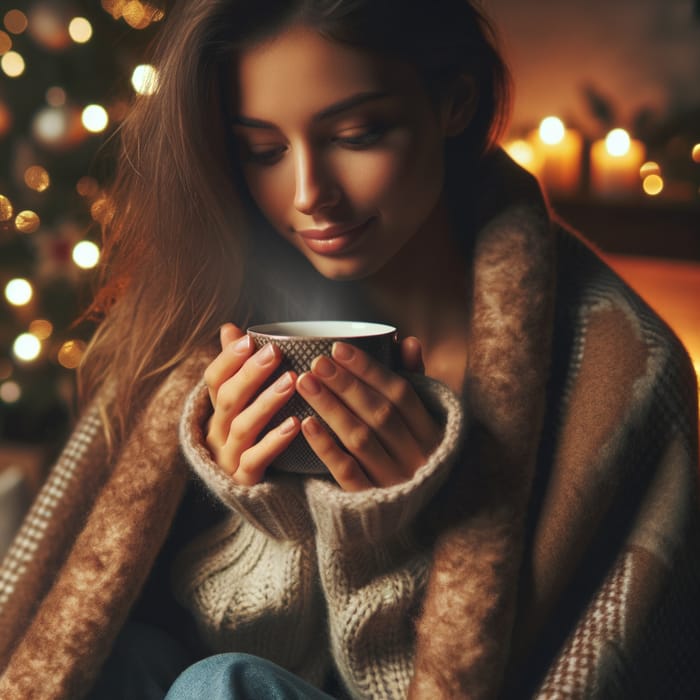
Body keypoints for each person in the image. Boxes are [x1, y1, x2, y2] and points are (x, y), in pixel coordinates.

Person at [0, 1, 698, 698]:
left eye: (358, 135)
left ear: (452, 102)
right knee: (121, 661)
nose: (310, 196)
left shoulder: (618, 368)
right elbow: (222, 649)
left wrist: (382, 541)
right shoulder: (197, 322)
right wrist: (264, 520)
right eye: (263, 151)